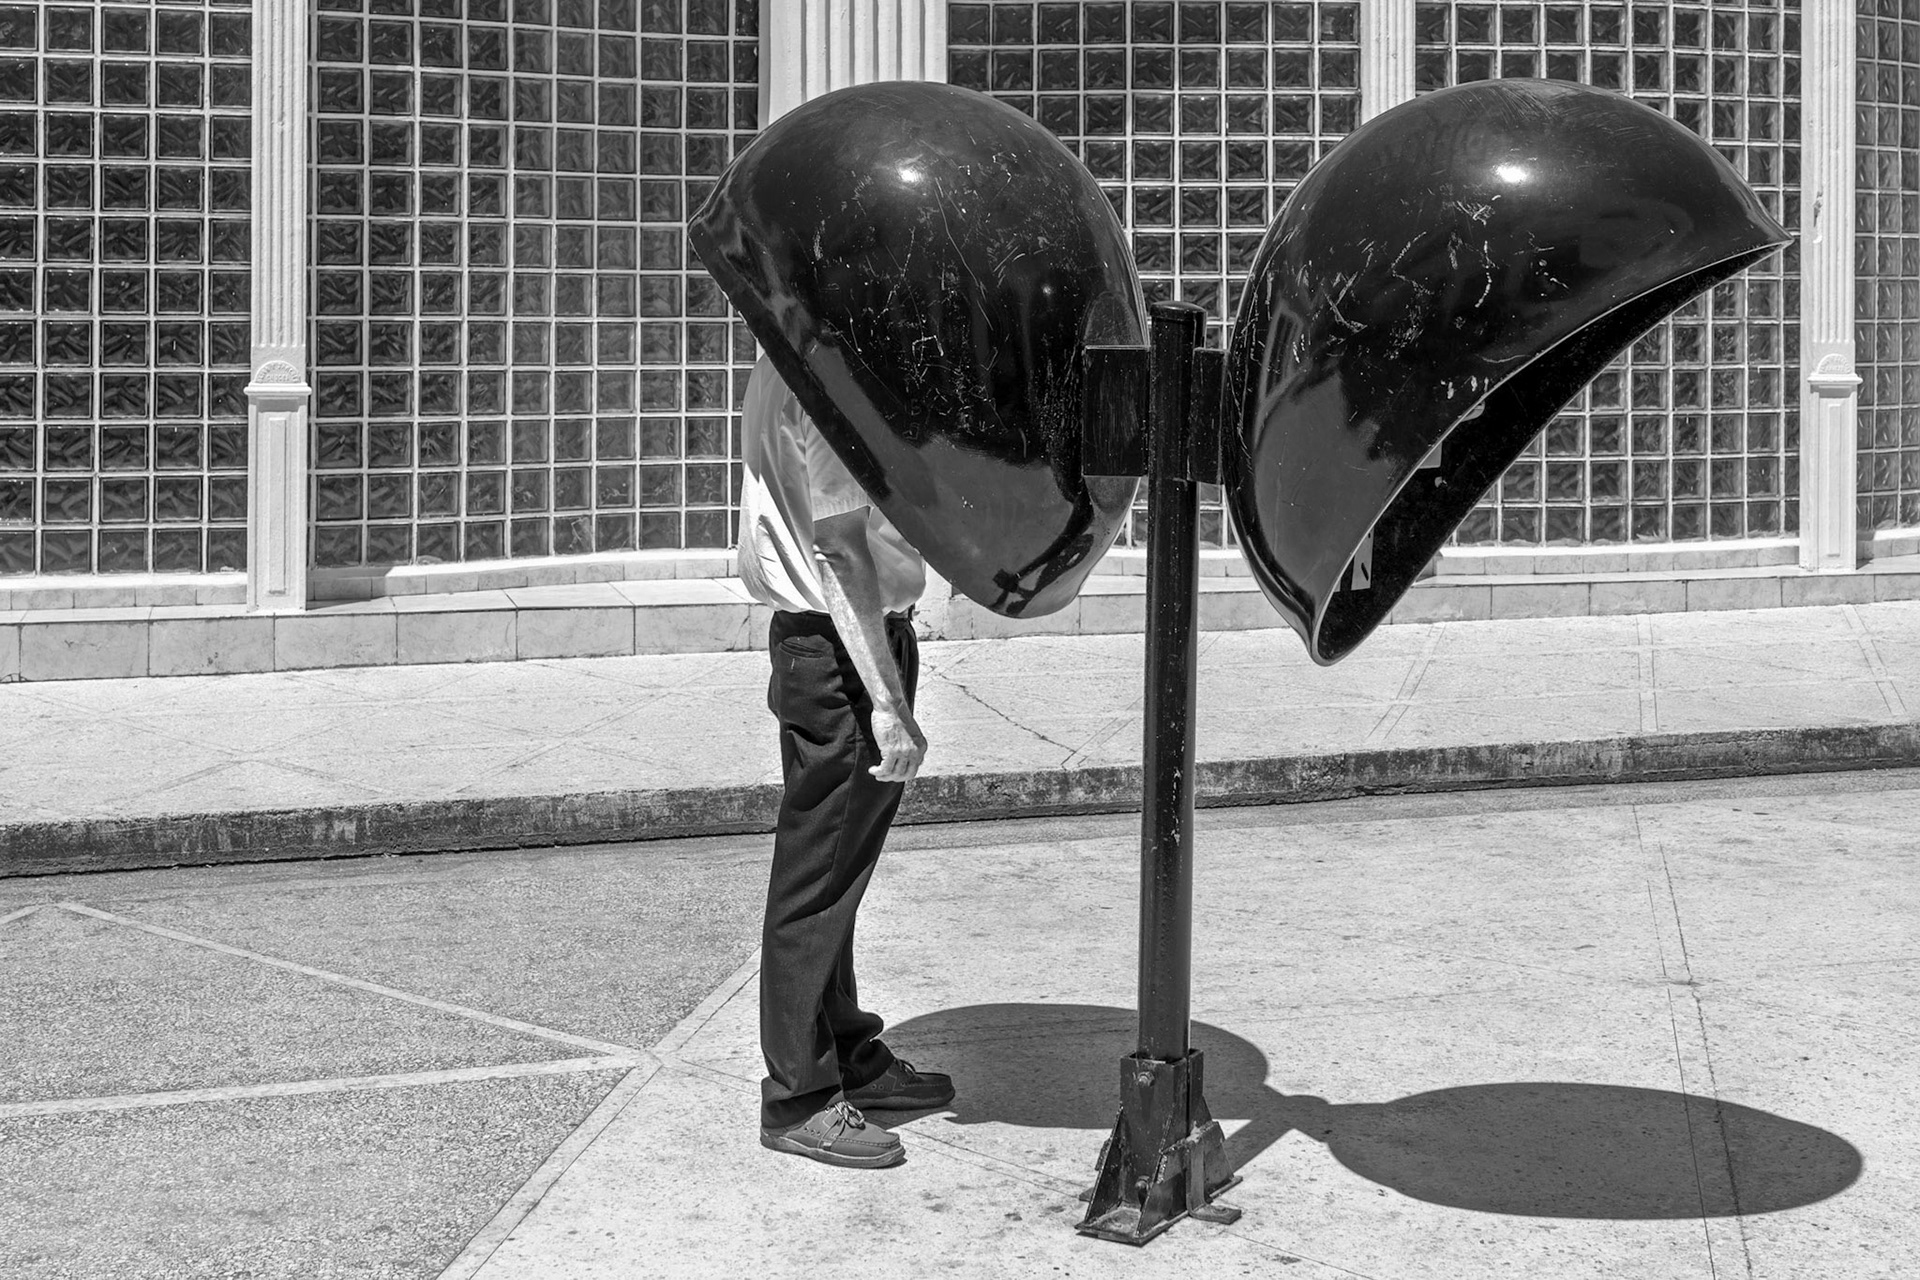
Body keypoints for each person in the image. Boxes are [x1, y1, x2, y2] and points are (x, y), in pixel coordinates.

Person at [736, 352, 955, 1170]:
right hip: (841, 652)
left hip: (838, 646)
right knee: (816, 878)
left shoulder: (786, 354)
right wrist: (889, 706)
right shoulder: (823, 375)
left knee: (839, 875)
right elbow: (839, 550)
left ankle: (847, 1054)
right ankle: (797, 1096)